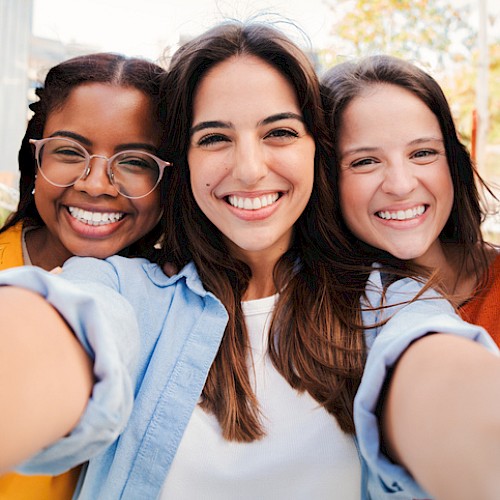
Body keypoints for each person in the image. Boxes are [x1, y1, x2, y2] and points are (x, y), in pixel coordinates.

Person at [0, 22, 498, 500]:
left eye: (278, 132)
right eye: (214, 137)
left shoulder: (393, 302)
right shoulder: (123, 288)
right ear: (183, 161)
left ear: (316, 151)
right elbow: (55, 333)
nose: (249, 169)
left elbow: (447, 390)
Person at [321, 54, 500, 498]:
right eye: (364, 162)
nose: (400, 183)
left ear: (451, 164)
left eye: (422, 153)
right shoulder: (320, 312)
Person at [0, 52, 169, 499]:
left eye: (135, 161)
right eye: (69, 152)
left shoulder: (179, 306)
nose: (95, 183)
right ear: (34, 157)